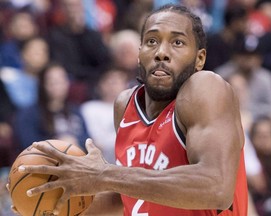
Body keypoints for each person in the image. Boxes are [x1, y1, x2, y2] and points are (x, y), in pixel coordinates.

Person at [9, 4, 248, 215]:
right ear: (139, 53)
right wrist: (49, 199)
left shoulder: (206, 88)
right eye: (151, 41)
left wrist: (104, 175)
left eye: (177, 42)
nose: (161, 52)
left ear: (199, 59)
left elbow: (216, 187)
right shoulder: (125, 105)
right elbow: (130, 195)